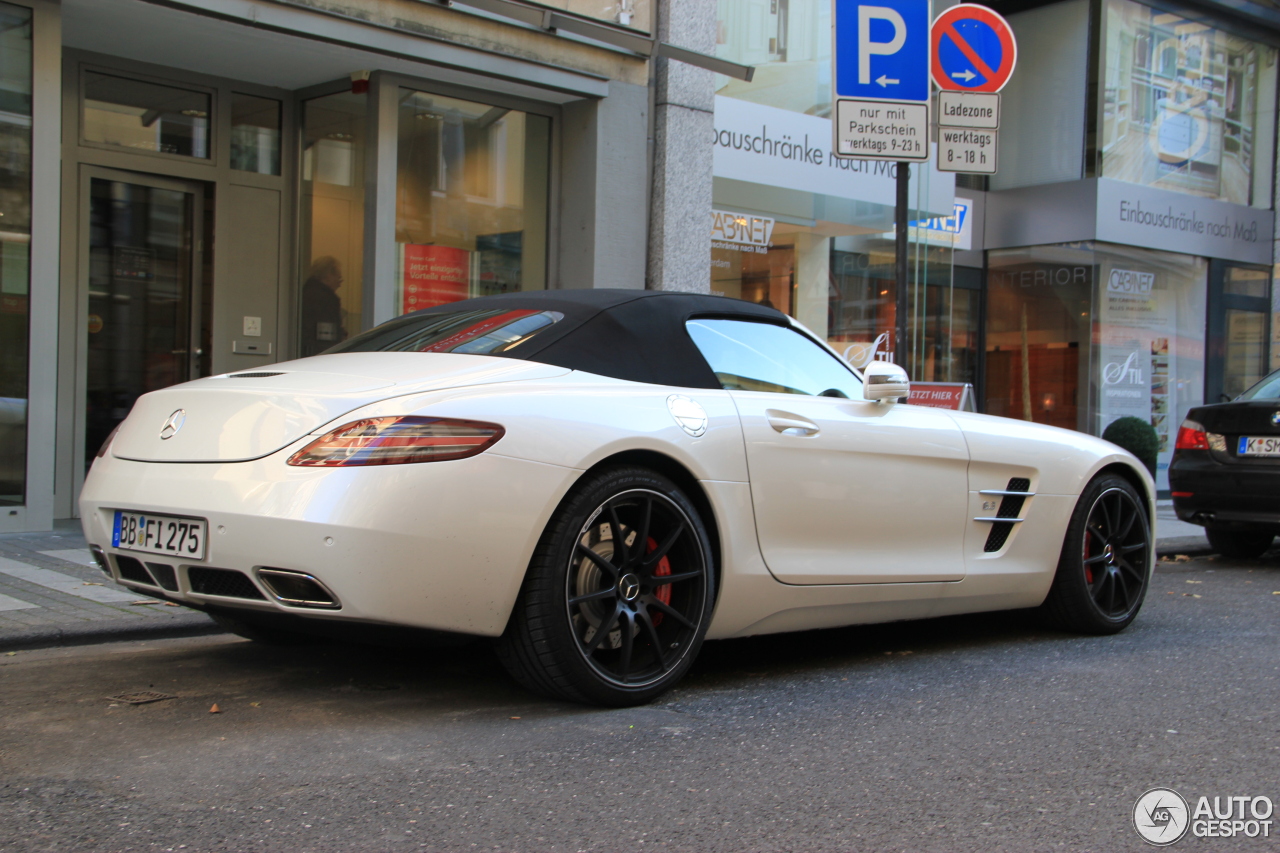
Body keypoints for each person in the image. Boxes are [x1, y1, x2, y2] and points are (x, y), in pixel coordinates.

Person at [300, 256, 346, 357]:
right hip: (321, 355)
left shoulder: (305, 293)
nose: (339, 284)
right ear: (328, 276)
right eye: (339, 278)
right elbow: (326, 336)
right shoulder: (325, 299)